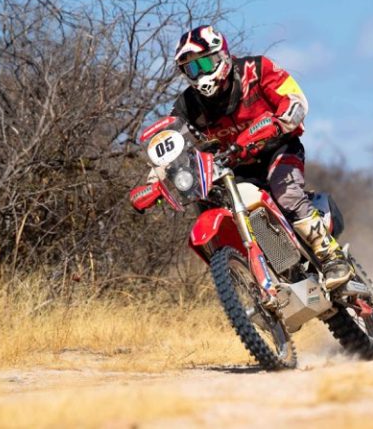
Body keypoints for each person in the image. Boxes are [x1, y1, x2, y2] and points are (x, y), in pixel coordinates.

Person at [129, 25, 352, 289]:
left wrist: (279, 121)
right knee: (213, 204)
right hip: (232, 168)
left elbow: (295, 99)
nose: (199, 73)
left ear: (221, 55)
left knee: (287, 195)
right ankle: (262, 276)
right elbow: (170, 148)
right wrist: (154, 182)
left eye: (204, 63)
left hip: (277, 149)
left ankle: (332, 258)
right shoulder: (187, 105)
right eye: (191, 68)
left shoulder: (256, 69)